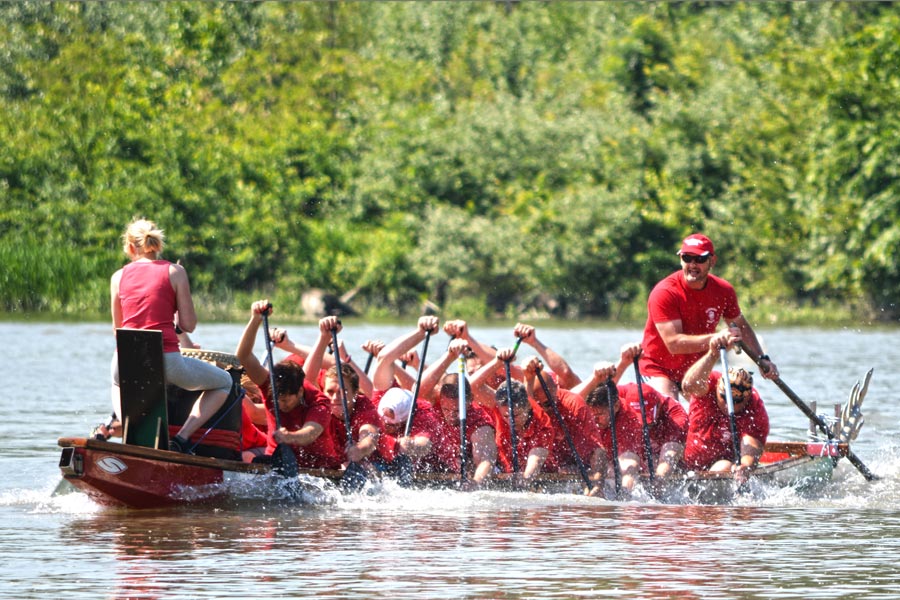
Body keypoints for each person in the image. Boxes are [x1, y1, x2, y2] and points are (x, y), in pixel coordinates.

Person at [109, 218, 232, 453]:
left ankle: (129, 430)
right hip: (167, 360)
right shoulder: (175, 272)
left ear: (130, 247)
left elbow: (118, 329)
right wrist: (175, 322)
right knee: (225, 382)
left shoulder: (117, 277)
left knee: (117, 382)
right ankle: (182, 438)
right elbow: (189, 324)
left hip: (126, 360)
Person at [638, 233, 779, 401]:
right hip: (658, 368)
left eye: (699, 259)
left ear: (712, 261)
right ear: (681, 259)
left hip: (695, 368)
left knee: (719, 415)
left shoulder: (723, 290)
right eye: (687, 258)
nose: (692, 264)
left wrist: (762, 359)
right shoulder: (665, 292)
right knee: (671, 416)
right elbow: (674, 344)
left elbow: (740, 326)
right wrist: (717, 338)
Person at [235, 300, 340, 469]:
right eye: (278, 400)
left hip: (318, 467)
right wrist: (255, 319)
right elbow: (243, 356)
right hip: (276, 459)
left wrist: (289, 437)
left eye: (285, 401)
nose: (280, 405)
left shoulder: (319, 401)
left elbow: (310, 433)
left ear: (299, 392)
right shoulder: (268, 384)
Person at [574, 344, 687, 480]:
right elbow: (574, 400)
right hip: (632, 454)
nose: (642, 426)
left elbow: (669, 458)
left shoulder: (676, 416)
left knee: (658, 461)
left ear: (659, 407)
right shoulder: (622, 394)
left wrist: (657, 485)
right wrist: (621, 363)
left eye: (648, 423)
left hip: (663, 456)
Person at [681, 332, 770, 485]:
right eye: (725, 397)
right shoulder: (708, 384)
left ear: (747, 398)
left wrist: (745, 466)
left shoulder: (754, 406)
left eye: (737, 401)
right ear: (717, 389)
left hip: (720, 468)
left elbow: (752, 445)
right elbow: (688, 386)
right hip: (684, 465)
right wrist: (712, 354)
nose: (730, 405)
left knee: (724, 466)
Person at [303, 317, 381, 468]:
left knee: (367, 466)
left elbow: (369, 436)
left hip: (361, 462)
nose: (335, 398)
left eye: (343, 392)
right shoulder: (320, 404)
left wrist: (359, 450)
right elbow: (305, 381)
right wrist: (323, 337)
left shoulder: (363, 405)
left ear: (355, 393)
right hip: (324, 463)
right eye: (330, 391)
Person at [521, 356, 605, 493]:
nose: (544, 411)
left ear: (556, 389)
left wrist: (598, 484)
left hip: (577, 466)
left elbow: (597, 449)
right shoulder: (530, 409)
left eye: (548, 404)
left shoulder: (574, 405)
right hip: (543, 467)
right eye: (539, 405)